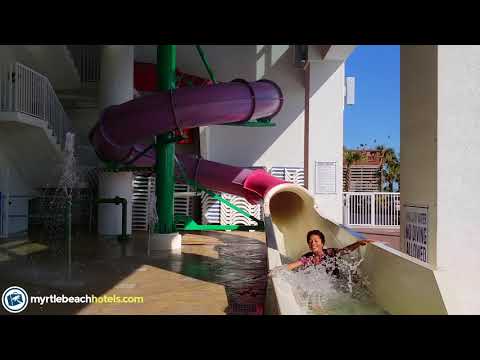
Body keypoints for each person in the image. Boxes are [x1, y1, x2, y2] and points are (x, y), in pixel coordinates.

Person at [269, 230, 375, 277]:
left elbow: (345, 250)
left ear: (322, 243)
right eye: (310, 241)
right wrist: (276, 270)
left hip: (335, 282)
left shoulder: (330, 252)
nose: (313, 243)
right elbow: (294, 265)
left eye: (316, 241)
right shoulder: (307, 257)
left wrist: (358, 243)